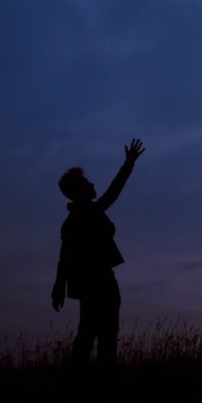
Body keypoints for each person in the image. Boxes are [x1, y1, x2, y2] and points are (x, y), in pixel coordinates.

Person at [52, 138, 145, 369]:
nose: (92, 183)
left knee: (90, 332)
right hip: (98, 280)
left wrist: (59, 288)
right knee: (103, 332)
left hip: (90, 281)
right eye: (86, 182)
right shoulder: (85, 214)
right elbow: (112, 193)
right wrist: (128, 164)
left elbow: (64, 257)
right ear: (78, 191)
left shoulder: (76, 217)